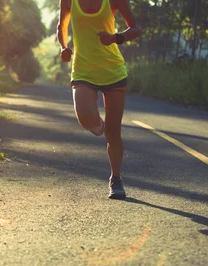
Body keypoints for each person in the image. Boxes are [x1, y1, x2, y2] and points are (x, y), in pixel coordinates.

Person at [57, 0, 142, 199]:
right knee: (85, 116)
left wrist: (115, 37)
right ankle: (97, 125)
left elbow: (136, 28)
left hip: (113, 71)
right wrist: (63, 47)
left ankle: (116, 178)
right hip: (83, 69)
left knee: (114, 132)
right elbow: (62, 25)